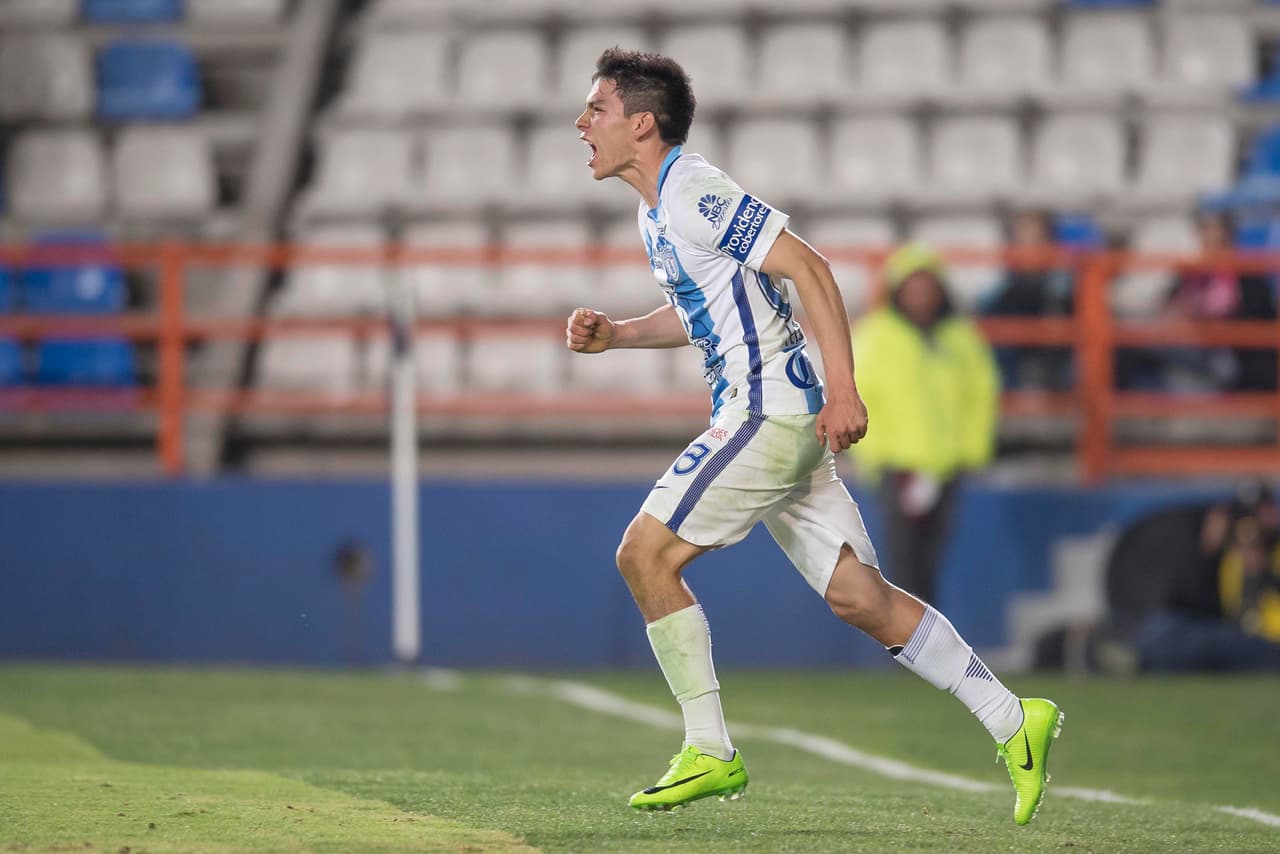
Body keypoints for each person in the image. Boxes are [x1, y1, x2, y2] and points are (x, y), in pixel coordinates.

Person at [566, 47, 1062, 825]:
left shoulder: (693, 190)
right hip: (768, 413)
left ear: (641, 122)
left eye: (594, 110)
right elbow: (705, 313)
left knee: (644, 553)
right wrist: (620, 336)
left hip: (768, 413)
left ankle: (710, 751)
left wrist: (844, 389)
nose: (580, 123)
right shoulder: (655, 207)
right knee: (858, 597)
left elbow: (810, 268)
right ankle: (1012, 719)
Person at [849, 243, 1000, 606]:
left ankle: (926, 646)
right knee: (902, 565)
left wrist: (971, 452)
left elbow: (981, 395)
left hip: (946, 467)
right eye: (913, 286)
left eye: (928, 286)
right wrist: (877, 457)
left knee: (932, 562)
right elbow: (855, 396)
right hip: (897, 469)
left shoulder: (960, 338)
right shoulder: (877, 336)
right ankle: (905, 648)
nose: (921, 295)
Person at [983, 209, 1073, 390]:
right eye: (1022, 242)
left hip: (1059, 393)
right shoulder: (998, 300)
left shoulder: (1065, 295)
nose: (1029, 251)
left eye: (1036, 241)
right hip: (1010, 393)